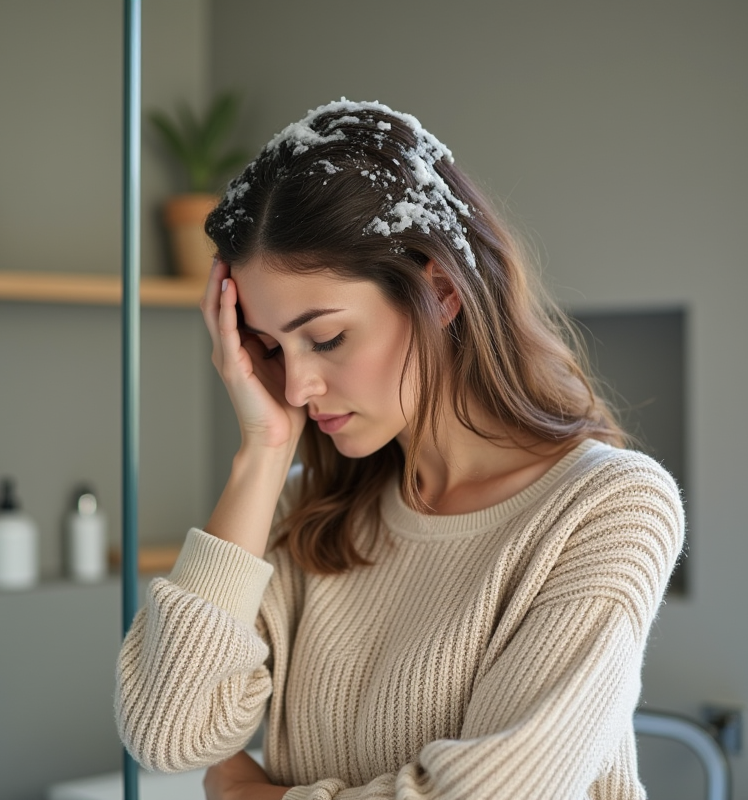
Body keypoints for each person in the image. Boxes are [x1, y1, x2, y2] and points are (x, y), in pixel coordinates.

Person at [116, 99, 684, 800]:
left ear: (439, 289)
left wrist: (252, 795)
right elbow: (169, 735)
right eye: (267, 348)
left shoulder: (610, 507)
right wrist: (262, 452)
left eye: (325, 338)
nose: (296, 384)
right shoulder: (310, 510)